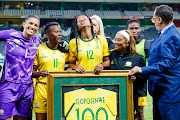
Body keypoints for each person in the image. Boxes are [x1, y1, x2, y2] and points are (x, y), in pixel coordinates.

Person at [129, 5, 180, 120]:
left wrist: (142, 69)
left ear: (160, 19)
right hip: (160, 91)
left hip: (168, 93)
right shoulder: (163, 33)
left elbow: (166, 63)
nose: (153, 22)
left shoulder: (171, 35)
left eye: (154, 19)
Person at [0, 15, 41, 120]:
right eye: (30, 23)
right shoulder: (10, 34)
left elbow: (50, 50)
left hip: (26, 87)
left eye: (36, 25)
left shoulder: (37, 43)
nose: (33, 27)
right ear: (24, 24)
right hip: (8, 85)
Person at [32, 22, 68, 120]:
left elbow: (70, 67)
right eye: (56, 32)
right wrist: (40, 73)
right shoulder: (40, 48)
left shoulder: (64, 51)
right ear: (47, 35)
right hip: (42, 89)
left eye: (60, 32)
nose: (60, 34)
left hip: (57, 89)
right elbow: (32, 72)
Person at [109, 30, 146, 120]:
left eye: (119, 40)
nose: (116, 42)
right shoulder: (111, 55)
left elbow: (145, 76)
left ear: (128, 43)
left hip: (130, 96)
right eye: (115, 39)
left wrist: (136, 77)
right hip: (112, 96)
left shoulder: (137, 58)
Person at [127, 19, 150, 120]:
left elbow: (151, 66)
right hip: (127, 83)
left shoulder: (146, 44)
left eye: (136, 28)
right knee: (127, 110)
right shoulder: (124, 43)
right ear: (127, 30)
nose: (134, 30)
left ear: (140, 29)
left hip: (141, 85)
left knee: (140, 112)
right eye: (131, 28)